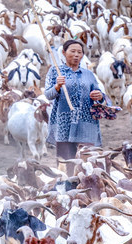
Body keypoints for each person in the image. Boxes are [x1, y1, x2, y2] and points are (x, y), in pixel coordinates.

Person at [44, 39, 105, 171]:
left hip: (86, 122)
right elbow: (48, 95)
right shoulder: (55, 72)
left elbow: (100, 94)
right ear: (64, 53)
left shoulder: (88, 74)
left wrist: (99, 96)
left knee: (87, 161)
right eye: (73, 51)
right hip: (64, 122)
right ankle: (66, 187)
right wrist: (57, 86)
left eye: (79, 52)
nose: (76, 55)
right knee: (66, 163)